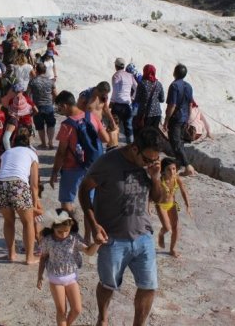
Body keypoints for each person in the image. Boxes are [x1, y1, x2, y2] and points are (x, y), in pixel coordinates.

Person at [78, 127, 164, 326]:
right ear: (135, 149)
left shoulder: (149, 167)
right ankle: (103, 318)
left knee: (149, 286)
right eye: (147, 159)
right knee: (108, 284)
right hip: (113, 239)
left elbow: (157, 199)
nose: (150, 163)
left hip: (143, 236)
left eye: (154, 159)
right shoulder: (107, 163)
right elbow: (84, 190)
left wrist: (155, 177)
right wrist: (93, 224)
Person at [37, 209, 100, 326]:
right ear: (52, 227)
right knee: (61, 311)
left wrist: (97, 243)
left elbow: (89, 252)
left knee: (77, 309)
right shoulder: (48, 240)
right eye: (59, 231)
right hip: (55, 279)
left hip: (72, 278)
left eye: (66, 231)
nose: (64, 234)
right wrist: (39, 276)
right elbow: (43, 258)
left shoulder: (74, 238)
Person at [50, 91, 109, 215]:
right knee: (89, 201)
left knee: (66, 201)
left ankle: (69, 229)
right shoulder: (92, 117)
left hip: (72, 167)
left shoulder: (67, 125)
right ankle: (88, 234)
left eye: (59, 107)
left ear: (65, 105)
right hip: (92, 166)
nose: (60, 110)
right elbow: (106, 139)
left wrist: (54, 172)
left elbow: (61, 153)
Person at [0, 127, 40, 264]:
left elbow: (5, 172)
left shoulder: (7, 153)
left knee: (8, 221)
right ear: (29, 141)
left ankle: (11, 255)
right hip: (18, 184)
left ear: (14, 141)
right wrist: (35, 205)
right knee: (28, 222)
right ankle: (29, 258)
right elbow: (34, 185)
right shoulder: (32, 154)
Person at [155, 157, 192, 258]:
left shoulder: (176, 178)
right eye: (168, 169)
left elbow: (184, 191)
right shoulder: (159, 180)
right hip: (161, 206)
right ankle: (161, 234)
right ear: (163, 171)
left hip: (172, 205)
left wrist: (188, 205)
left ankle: (172, 249)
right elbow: (151, 194)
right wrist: (148, 207)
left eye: (174, 169)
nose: (172, 172)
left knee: (176, 228)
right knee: (167, 227)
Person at [164, 63, 196, 176]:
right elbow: (190, 104)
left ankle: (188, 166)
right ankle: (178, 166)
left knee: (175, 143)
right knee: (180, 142)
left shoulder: (174, 86)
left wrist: (166, 120)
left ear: (174, 73)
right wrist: (188, 118)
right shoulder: (189, 86)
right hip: (184, 117)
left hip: (176, 118)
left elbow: (172, 105)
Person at [28, 62, 57, 149]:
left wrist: (30, 105)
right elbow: (55, 94)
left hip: (37, 106)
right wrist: (53, 102)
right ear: (45, 71)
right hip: (48, 105)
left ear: (36, 70)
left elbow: (27, 94)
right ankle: (51, 142)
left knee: (40, 126)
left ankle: (43, 143)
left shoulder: (33, 81)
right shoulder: (50, 81)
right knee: (51, 124)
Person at [132, 64, 165, 138]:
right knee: (154, 134)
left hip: (145, 114)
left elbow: (137, 99)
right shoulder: (158, 84)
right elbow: (162, 99)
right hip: (157, 113)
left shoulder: (142, 83)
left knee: (144, 135)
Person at [110, 57, 137, 145]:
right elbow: (137, 87)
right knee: (128, 127)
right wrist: (132, 98)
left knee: (115, 126)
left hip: (117, 105)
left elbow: (115, 91)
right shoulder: (130, 75)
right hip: (127, 106)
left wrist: (111, 102)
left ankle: (114, 145)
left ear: (116, 66)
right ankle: (131, 146)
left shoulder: (116, 75)